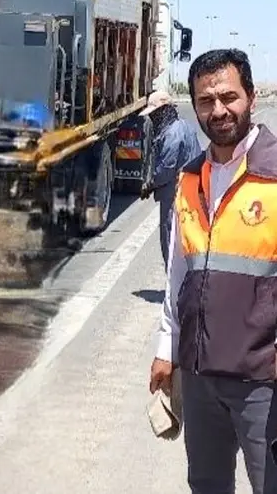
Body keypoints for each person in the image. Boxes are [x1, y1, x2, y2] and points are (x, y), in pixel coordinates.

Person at [149, 48, 277, 494]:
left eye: (228, 96)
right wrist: (167, 348)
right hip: (200, 375)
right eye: (206, 100)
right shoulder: (190, 178)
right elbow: (177, 276)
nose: (218, 110)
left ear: (251, 97)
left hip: (263, 379)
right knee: (206, 485)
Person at [138, 89, 203, 267]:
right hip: (191, 193)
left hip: (174, 195)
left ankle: (173, 289)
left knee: (170, 241)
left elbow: (165, 170)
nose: (152, 118)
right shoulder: (185, 126)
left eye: (155, 113)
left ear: (164, 110)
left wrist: (149, 184)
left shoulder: (171, 135)